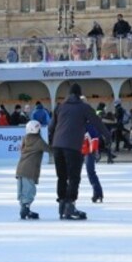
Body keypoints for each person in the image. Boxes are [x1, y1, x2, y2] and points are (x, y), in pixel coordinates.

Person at [48, 83, 110, 220]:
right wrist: (107, 136)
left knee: (62, 176)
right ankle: (70, 205)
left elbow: (51, 127)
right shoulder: (84, 107)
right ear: (79, 94)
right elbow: (97, 122)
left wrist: (53, 141)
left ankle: (62, 204)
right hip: (72, 146)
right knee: (74, 177)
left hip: (58, 146)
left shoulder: (60, 107)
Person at [15, 120, 50, 220]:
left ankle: (24, 208)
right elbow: (50, 149)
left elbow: (21, 150)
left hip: (20, 168)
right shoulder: (38, 140)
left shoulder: (25, 138)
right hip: (30, 169)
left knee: (22, 189)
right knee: (29, 189)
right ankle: (25, 208)